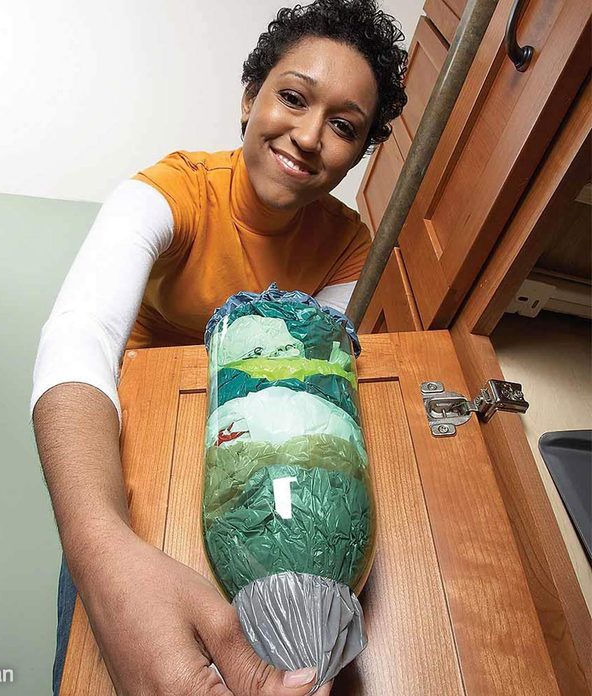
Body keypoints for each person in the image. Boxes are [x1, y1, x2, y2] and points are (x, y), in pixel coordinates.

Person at [30, 1, 407, 694]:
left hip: (259, 476)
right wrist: (99, 549)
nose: (308, 136)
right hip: (142, 455)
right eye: (293, 98)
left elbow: (311, 392)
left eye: (344, 126)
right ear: (248, 97)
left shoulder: (351, 246)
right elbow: (79, 336)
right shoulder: (170, 192)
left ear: (360, 152)